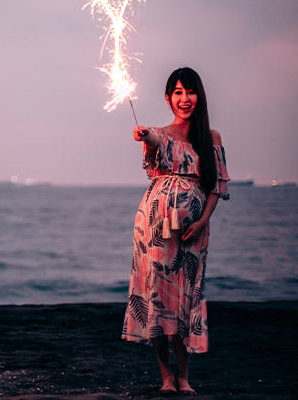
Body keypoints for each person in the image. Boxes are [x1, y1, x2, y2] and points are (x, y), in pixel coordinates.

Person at [122, 67, 229, 394]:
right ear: (168, 98)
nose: (185, 99)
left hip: (193, 231)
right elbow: (155, 142)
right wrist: (145, 134)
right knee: (155, 295)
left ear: (200, 96)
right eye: (178, 93)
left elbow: (217, 186)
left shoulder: (211, 138)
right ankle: (166, 376)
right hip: (153, 228)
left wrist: (201, 222)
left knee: (186, 297)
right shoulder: (158, 133)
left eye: (190, 92)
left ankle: (183, 376)